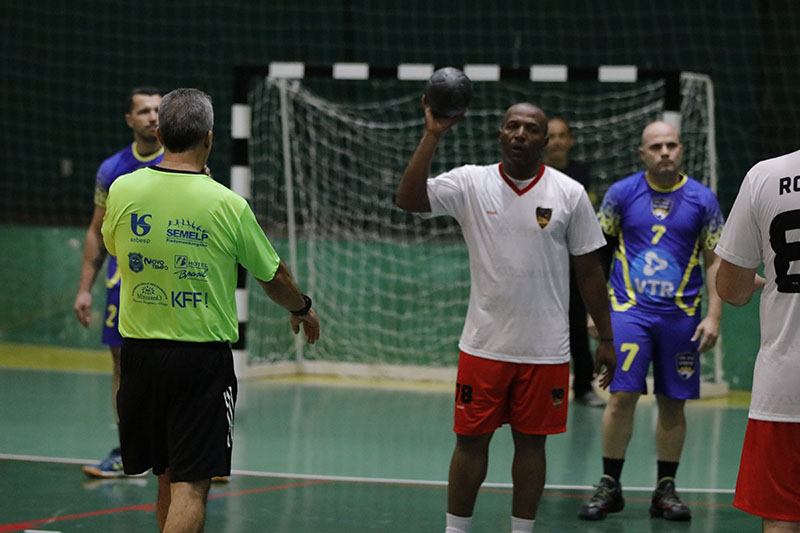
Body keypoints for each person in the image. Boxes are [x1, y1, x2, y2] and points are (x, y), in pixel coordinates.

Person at [101, 88, 320, 532]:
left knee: (167, 476)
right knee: (191, 487)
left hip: (139, 359)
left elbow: (114, 246)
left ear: (161, 135)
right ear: (209, 138)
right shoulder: (227, 204)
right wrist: (302, 307)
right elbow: (274, 276)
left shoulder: (123, 189)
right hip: (199, 364)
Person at [396, 100, 616, 533]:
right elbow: (408, 199)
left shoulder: (569, 192)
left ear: (545, 140)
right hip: (484, 346)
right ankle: (456, 530)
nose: (520, 133)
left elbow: (590, 270)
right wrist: (433, 134)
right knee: (470, 442)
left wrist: (606, 338)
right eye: (512, 125)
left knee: (531, 446)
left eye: (531, 128)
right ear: (500, 134)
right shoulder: (471, 182)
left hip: (545, 350)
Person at [578, 120, 725, 522]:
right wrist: (597, 313)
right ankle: (610, 485)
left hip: (681, 317)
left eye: (671, 145)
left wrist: (714, 315)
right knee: (621, 396)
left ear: (681, 150)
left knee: (673, 402)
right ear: (642, 153)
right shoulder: (621, 193)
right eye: (656, 146)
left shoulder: (703, 199)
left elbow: (715, 260)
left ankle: (666, 489)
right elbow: (596, 254)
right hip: (629, 312)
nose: (664, 152)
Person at [74, 86, 164, 478]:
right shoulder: (112, 169)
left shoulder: (182, 161)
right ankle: (130, 449)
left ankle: (191, 449)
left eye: (158, 109)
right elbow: (96, 232)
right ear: (129, 119)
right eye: (143, 111)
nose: (152, 116)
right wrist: (84, 288)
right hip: (122, 283)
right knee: (123, 366)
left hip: (170, 283)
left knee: (176, 363)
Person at [715, 152, 798, 532]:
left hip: (786, 387)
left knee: (783, 519)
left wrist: (765, 282)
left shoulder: (765, 177)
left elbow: (731, 288)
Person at [543, 117, 605, 407]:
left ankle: (583, 388)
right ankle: (540, 388)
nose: (556, 141)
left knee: (577, 327)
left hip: (573, 263)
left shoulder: (580, 173)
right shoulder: (534, 172)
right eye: (551, 135)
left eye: (561, 135)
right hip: (541, 265)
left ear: (570, 141)